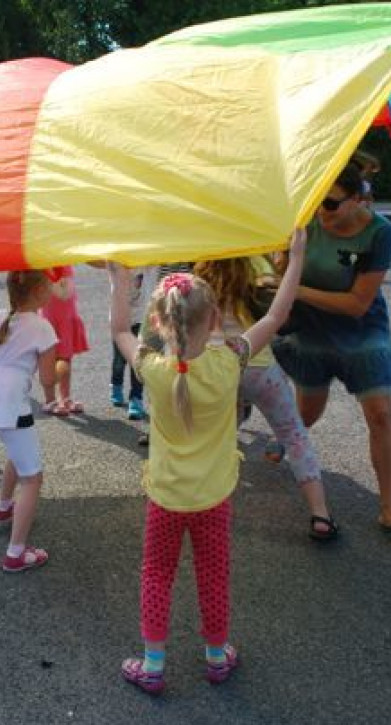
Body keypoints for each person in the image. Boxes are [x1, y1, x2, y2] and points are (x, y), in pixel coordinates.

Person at [108, 229, 305, 696]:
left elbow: (119, 330)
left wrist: (121, 278)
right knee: (213, 575)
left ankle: (153, 664)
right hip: (214, 496)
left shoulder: (153, 369)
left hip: (165, 496)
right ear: (216, 318)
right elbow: (276, 315)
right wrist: (294, 258)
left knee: (157, 574)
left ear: (157, 321)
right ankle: (217, 656)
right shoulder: (230, 361)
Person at [271, 159, 391, 546]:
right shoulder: (307, 219)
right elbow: (281, 270)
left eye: (332, 203)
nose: (323, 211)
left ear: (357, 199)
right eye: (318, 201)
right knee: (308, 412)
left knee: (380, 413)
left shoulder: (379, 231)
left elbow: (357, 303)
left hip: (361, 332)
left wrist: (295, 289)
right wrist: (282, 268)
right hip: (310, 330)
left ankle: (389, 508)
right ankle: (287, 436)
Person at [195, 255, 337, 540]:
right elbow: (280, 313)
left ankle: (201, 502)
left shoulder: (200, 272)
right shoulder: (259, 266)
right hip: (258, 366)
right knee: (293, 435)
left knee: (217, 437)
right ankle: (320, 514)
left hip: (217, 368)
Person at [0, 270, 58, 573]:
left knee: (16, 450)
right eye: (48, 285)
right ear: (37, 292)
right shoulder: (42, 327)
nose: (52, 289)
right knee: (33, 478)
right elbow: (48, 377)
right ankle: (16, 552)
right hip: (11, 406)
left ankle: (3, 506)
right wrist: (54, 393)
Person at [40, 265, 90, 416]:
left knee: (65, 358)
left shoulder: (65, 264)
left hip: (66, 317)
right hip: (50, 317)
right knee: (49, 359)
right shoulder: (46, 265)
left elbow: (66, 293)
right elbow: (62, 293)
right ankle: (50, 400)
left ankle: (65, 398)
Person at [110, 267, 147, 420]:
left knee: (137, 361)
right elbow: (97, 261)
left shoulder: (148, 265)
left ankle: (136, 399)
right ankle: (116, 385)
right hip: (120, 321)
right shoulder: (116, 265)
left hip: (141, 320)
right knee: (119, 360)